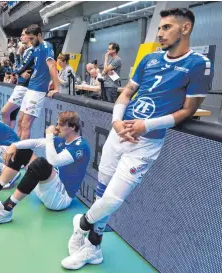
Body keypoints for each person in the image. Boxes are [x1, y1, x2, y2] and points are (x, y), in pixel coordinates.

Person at [61, 8, 214, 270]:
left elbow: (188, 110)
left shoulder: (199, 64)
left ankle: (83, 224)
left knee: (113, 199)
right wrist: (117, 122)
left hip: (146, 141)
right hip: (118, 133)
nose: (160, 33)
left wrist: (146, 125)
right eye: (160, 28)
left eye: (166, 27)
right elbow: (127, 92)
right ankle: (94, 249)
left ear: (185, 28)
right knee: (101, 192)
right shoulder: (149, 59)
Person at [0, 112, 90, 228]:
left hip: (60, 198)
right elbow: (35, 143)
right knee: (22, 151)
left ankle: (6, 209)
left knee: (41, 163)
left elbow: (54, 161)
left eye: (60, 125)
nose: (56, 127)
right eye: (56, 124)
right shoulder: (63, 140)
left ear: (72, 127)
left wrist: (49, 136)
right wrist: (14, 145)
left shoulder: (81, 147)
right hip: (49, 188)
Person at [16, 24, 59, 140]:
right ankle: (16, 148)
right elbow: (23, 66)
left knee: (26, 124)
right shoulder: (35, 48)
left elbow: (52, 66)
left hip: (38, 90)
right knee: (19, 121)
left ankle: (21, 155)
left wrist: (56, 87)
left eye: (31, 38)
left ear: (39, 35)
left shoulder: (46, 46)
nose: (30, 41)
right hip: (30, 88)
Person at [1, 27, 35, 129]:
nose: (21, 37)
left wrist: (18, 71)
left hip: (24, 86)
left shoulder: (31, 51)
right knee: (13, 115)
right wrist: (18, 55)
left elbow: (17, 69)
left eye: (23, 35)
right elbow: (17, 69)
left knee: (5, 112)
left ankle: (5, 138)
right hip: (20, 84)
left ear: (29, 36)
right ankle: (9, 140)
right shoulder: (26, 51)